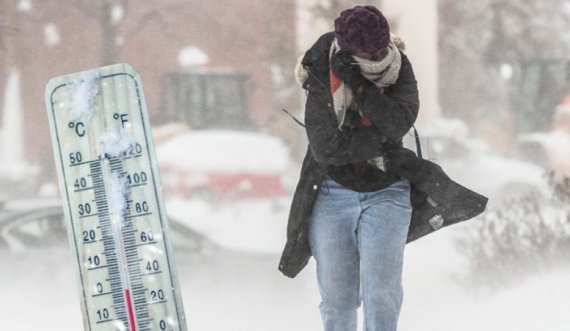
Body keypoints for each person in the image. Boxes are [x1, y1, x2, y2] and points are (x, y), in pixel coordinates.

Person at [278, 5, 488, 331]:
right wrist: (380, 140)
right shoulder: (321, 67)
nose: (376, 58)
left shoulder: (399, 67)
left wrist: (360, 88)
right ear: (347, 48)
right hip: (331, 192)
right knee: (337, 300)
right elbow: (326, 147)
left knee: (382, 295)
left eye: (379, 49)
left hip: (388, 192)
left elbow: (399, 121)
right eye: (366, 52)